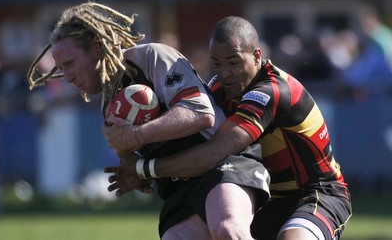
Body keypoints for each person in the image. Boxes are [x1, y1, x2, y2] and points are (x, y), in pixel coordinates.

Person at [27, 2, 270, 240]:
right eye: (60, 68)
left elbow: (200, 113)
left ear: (96, 48)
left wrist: (136, 135)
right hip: (179, 189)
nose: (67, 77)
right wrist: (133, 171)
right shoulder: (109, 102)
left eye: (70, 64)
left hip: (223, 166)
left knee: (227, 230)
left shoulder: (151, 57)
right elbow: (138, 157)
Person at [106, 16, 352, 240]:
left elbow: (212, 154)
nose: (224, 73)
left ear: (256, 56)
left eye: (233, 62)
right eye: (216, 63)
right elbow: (192, 146)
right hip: (265, 197)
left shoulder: (273, 92)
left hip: (316, 194)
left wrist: (143, 169)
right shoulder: (218, 90)